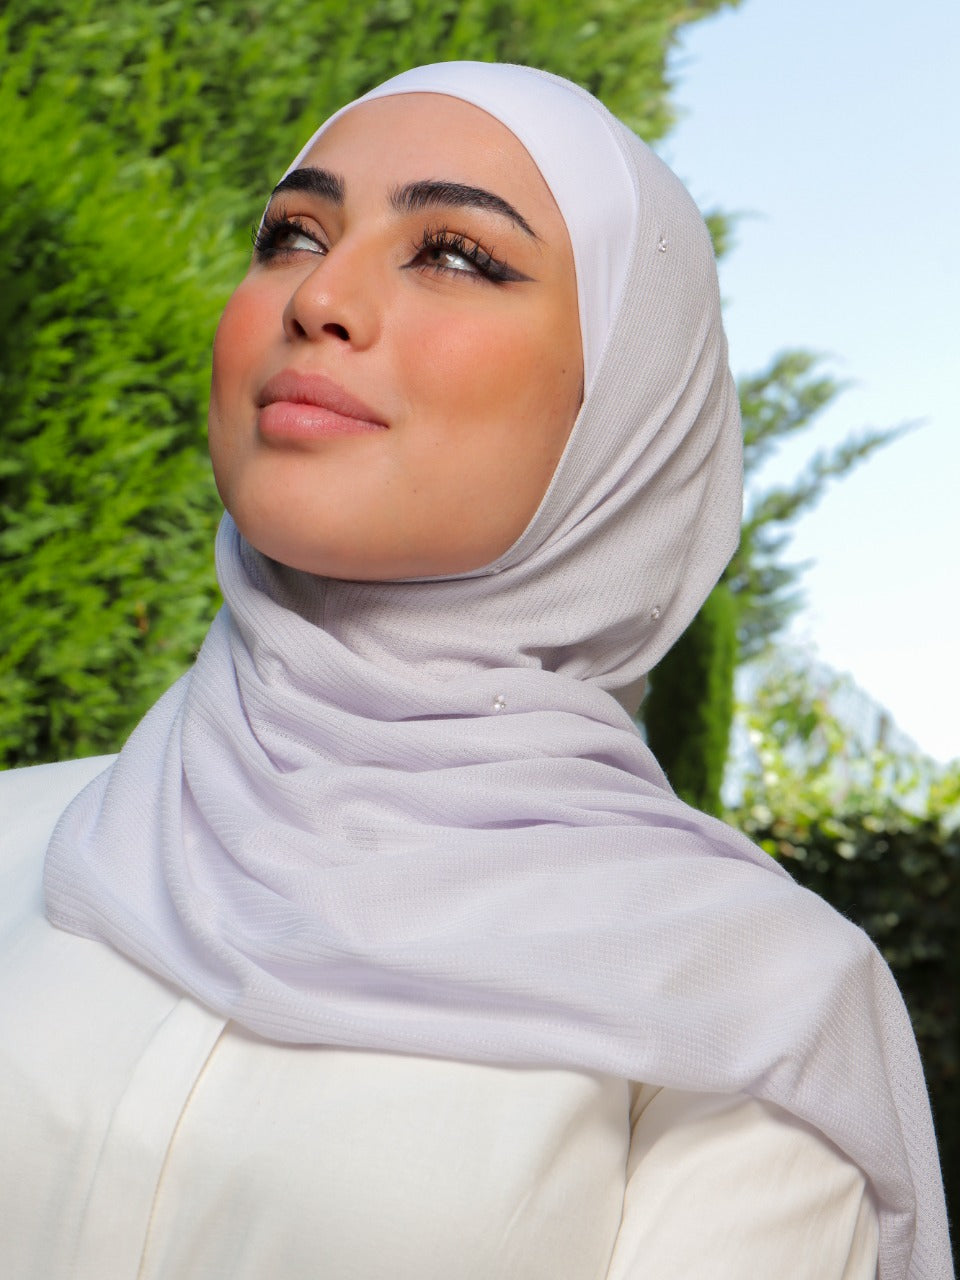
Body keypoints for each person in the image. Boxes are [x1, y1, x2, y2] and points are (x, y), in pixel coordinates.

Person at [0, 62, 951, 1280]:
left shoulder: (751, 1002)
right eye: (292, 233)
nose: (323, 296)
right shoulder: (25, 837)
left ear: (623, 406)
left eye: (454, 252)